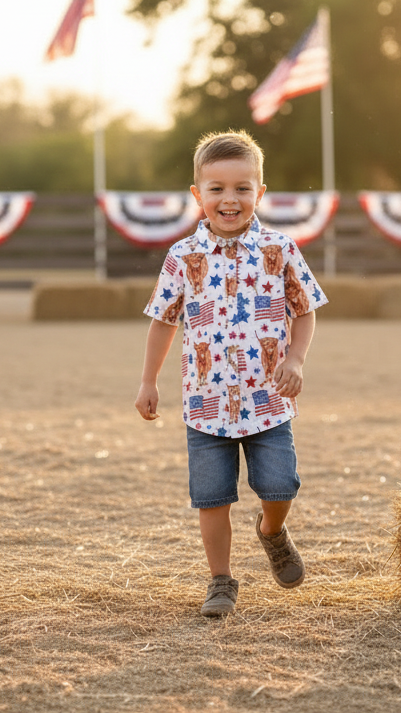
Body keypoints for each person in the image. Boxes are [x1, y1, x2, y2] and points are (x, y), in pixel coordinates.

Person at [135, 131, 328, 618]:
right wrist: (148, 381)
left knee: (281, 485)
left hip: (268, 400)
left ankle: (271, 530)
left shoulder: (280, 249)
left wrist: (297, 359)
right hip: (206, 404)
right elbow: (163, 322)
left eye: (243, 188)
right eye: (217, 188)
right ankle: (220, 580)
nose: (230, 199)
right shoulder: (182, 257)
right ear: (197, 194)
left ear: (260, 193)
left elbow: (304, 310)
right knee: (212, 498)